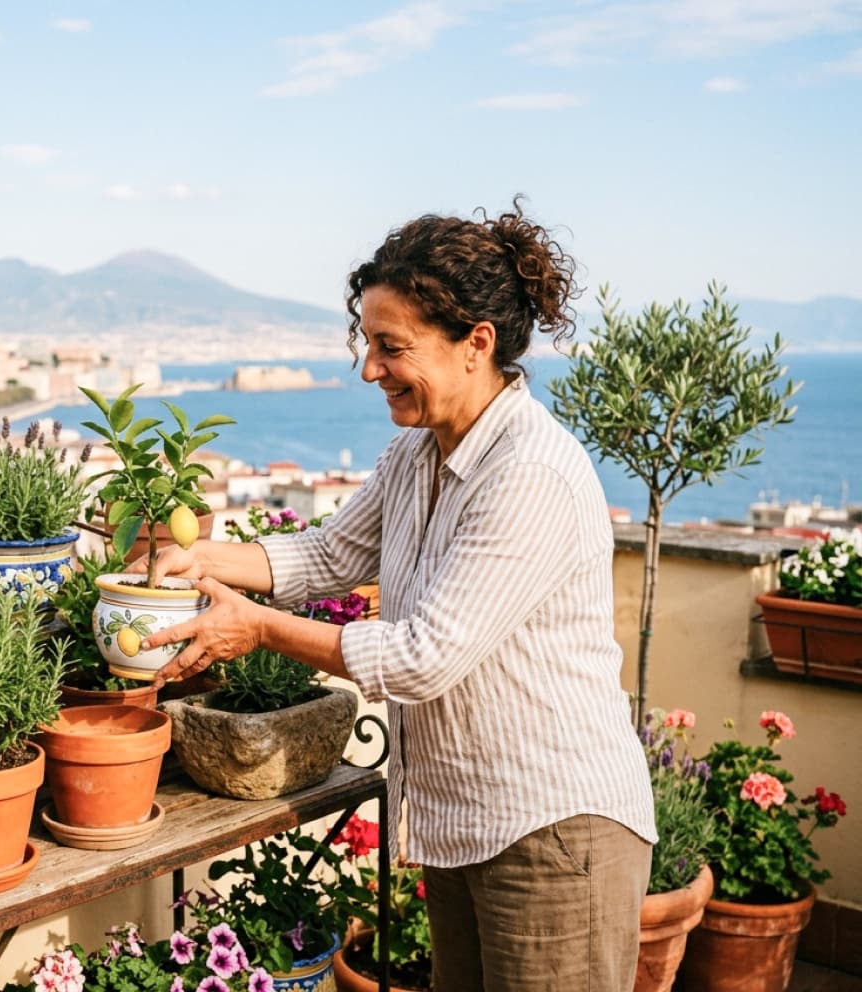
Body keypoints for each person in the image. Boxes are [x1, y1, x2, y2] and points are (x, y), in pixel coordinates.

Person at [138, 198, 656, 991]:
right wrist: (200, 554)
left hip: (554, 832)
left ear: (475, 343)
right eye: (368, 344)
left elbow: (423, 659)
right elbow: (327, 552)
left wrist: (259, 630)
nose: (370, 370)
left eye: (391, 347)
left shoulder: (529, 474)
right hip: (468, 824)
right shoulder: (416, 451)